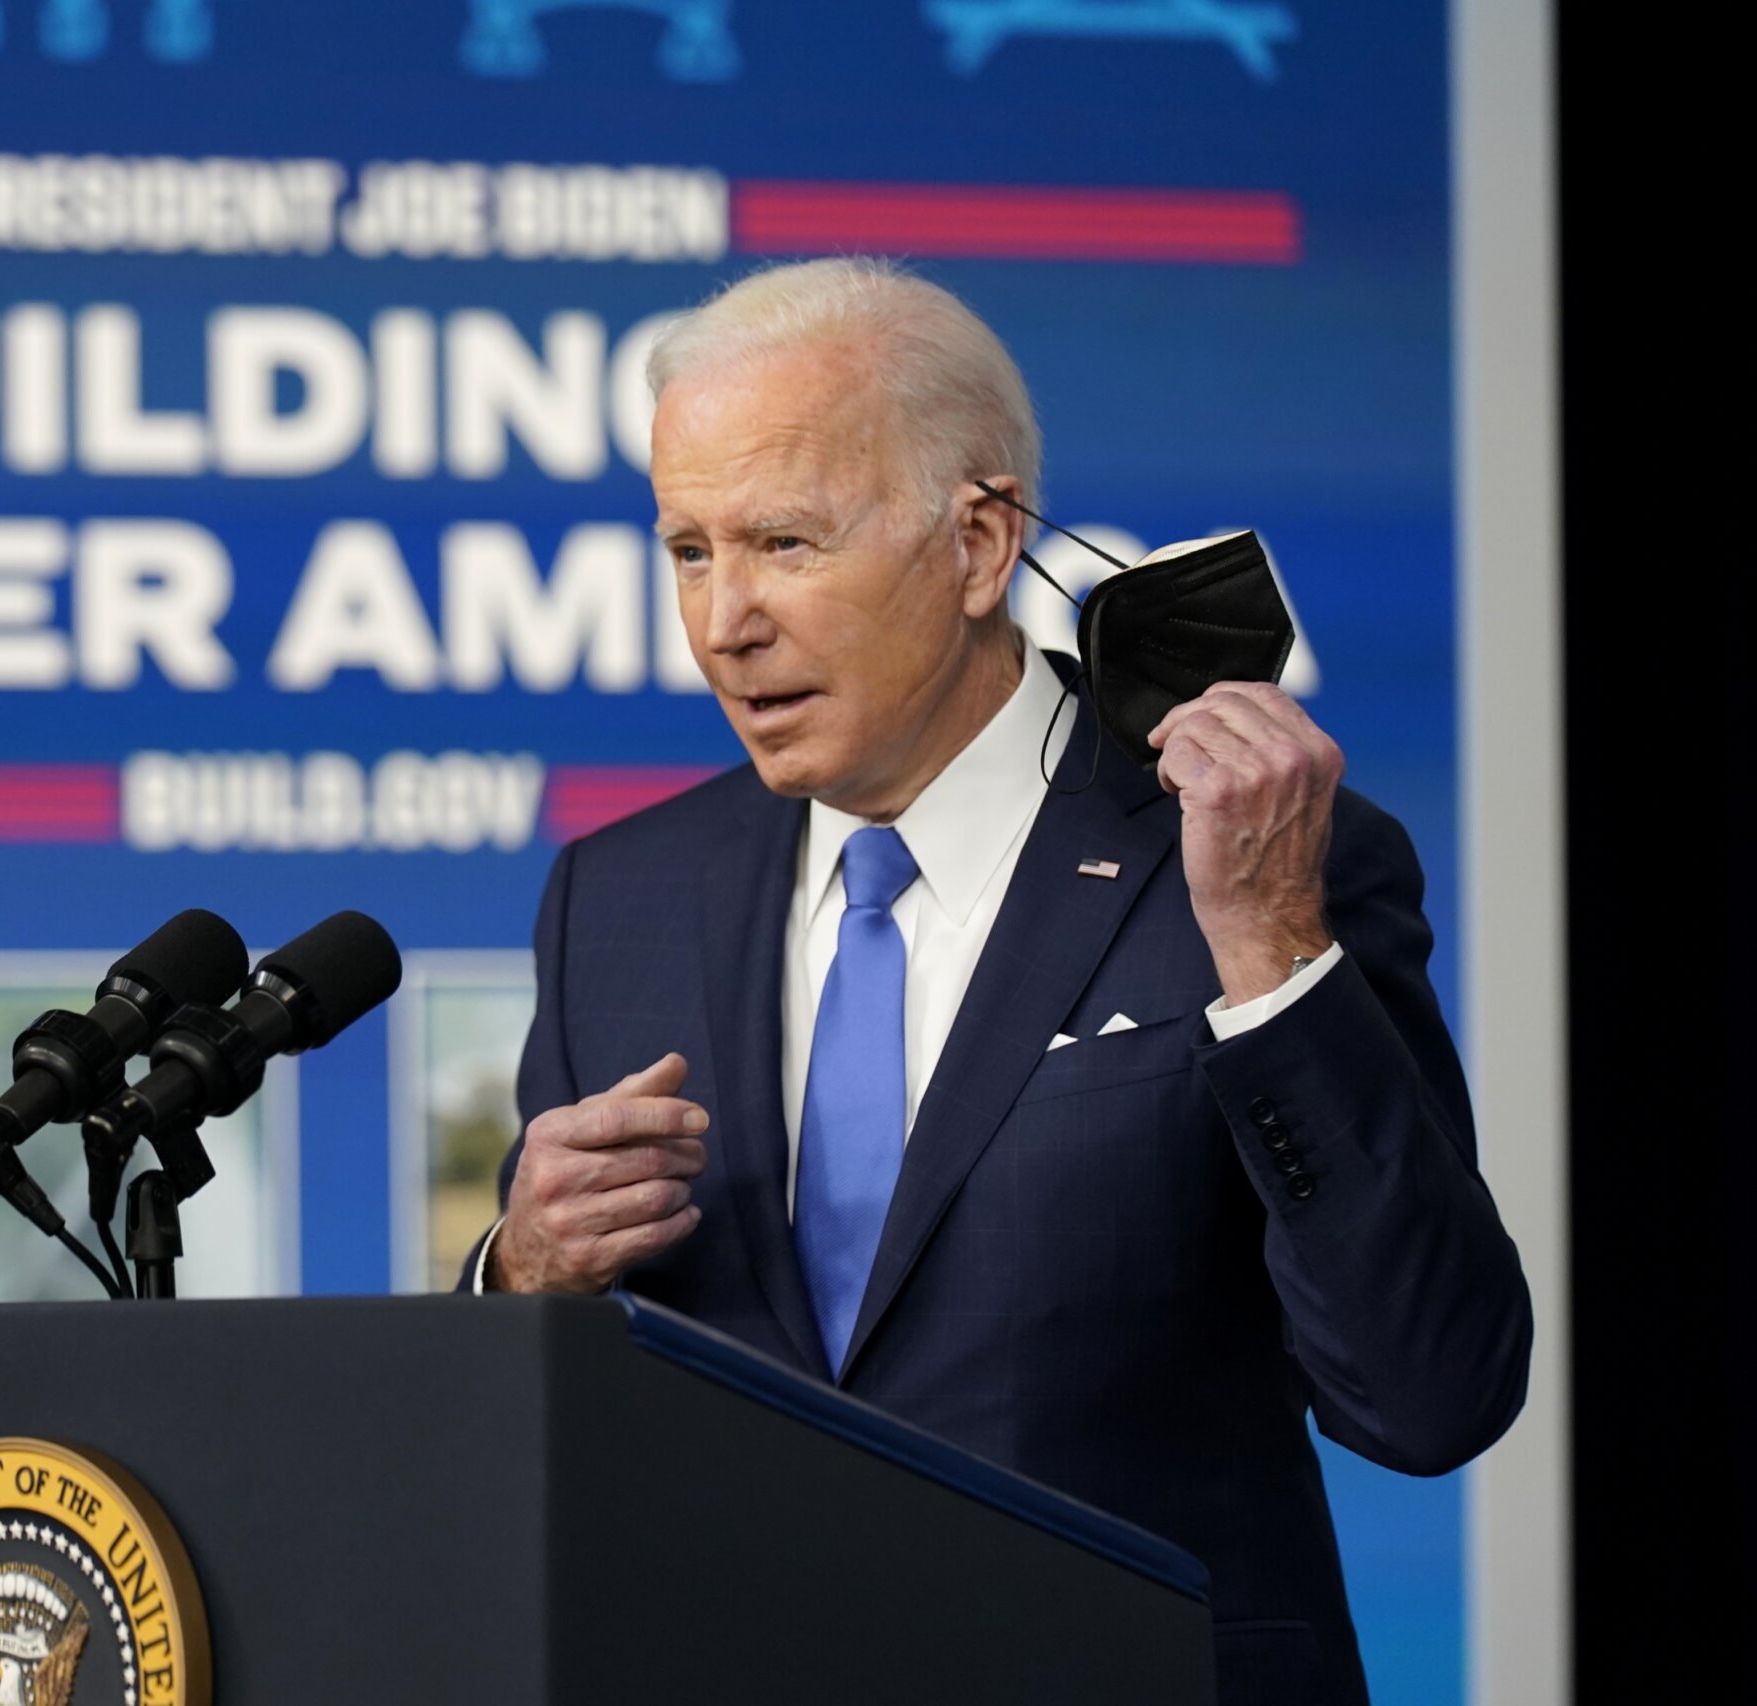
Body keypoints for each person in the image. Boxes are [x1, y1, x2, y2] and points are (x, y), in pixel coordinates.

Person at [465, 259, 1531, 1706]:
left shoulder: (1252, 854)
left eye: (784, 540)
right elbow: (541, 1436)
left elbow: (1430, 1393)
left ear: (978, 543)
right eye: (688, 550)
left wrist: (1275, 956)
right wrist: (523, 1270)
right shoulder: (618, 896)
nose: (724, 621)